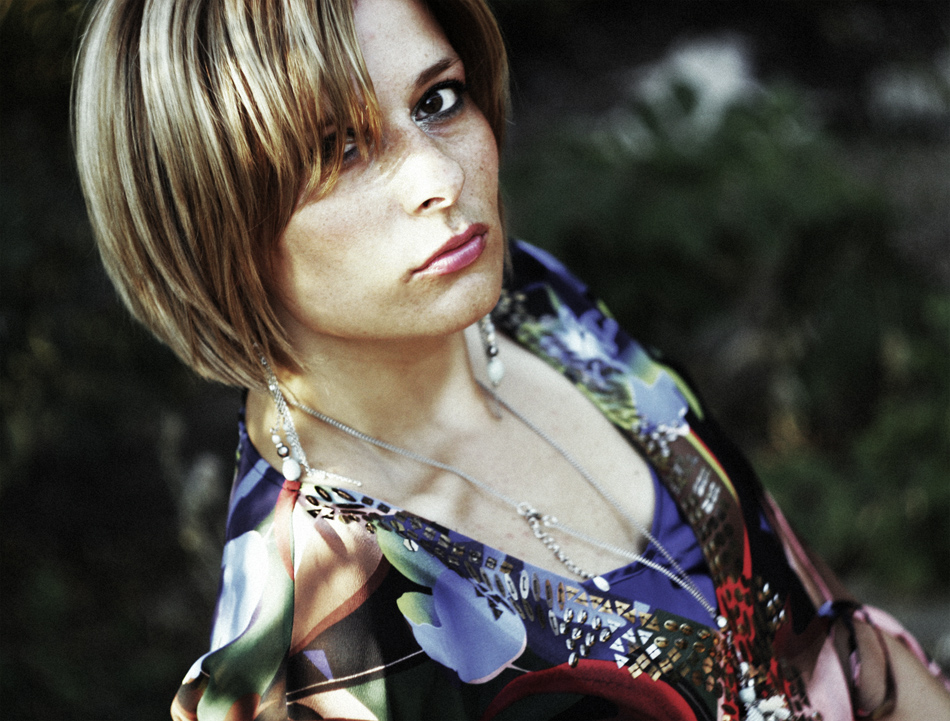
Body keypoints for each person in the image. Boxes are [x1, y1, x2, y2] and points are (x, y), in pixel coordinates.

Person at [73, 0, 950, 719]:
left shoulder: (531, 299)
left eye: (437, 100)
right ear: (210, 228)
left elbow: (795, 607)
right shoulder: (314, 657)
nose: (440, 178)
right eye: (341, 150)